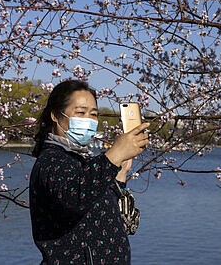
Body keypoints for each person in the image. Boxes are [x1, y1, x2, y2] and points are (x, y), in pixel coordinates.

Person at [29, 79, 150, 264]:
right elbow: (74, 198)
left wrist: (118, 178)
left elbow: (100, 216)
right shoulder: (51, 160)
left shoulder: (83, 161)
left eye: (93, 114)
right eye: (80, 112)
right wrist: (113, 156)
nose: (88, 119)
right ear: (55, 115)